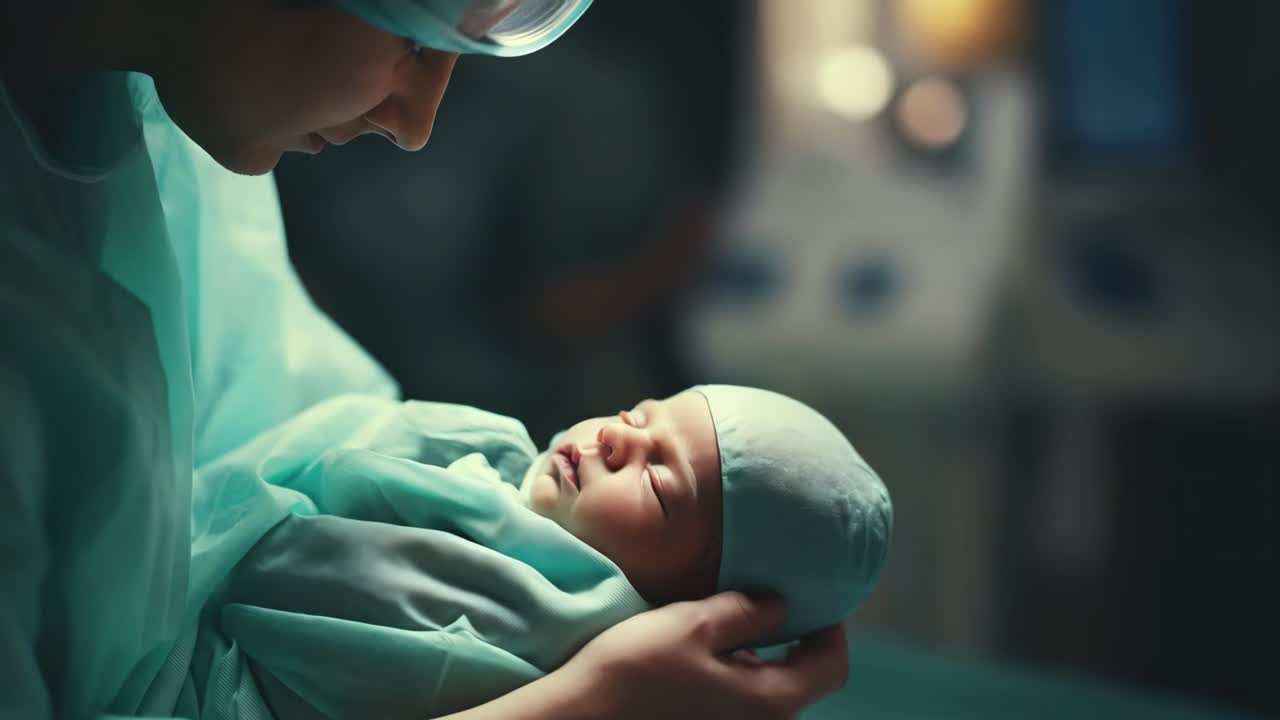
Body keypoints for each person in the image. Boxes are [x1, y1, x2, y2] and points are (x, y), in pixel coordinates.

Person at [0, 1, 852, 718]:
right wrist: (584, 703)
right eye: (413, 34)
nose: (416, 126)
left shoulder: (168, 139)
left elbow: (305, 429)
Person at [215, 386, 893, 718]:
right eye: (637, 416)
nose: (617, 440)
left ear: (702, 608)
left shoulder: (554, 627)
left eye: (658, 482)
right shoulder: (494, 452)